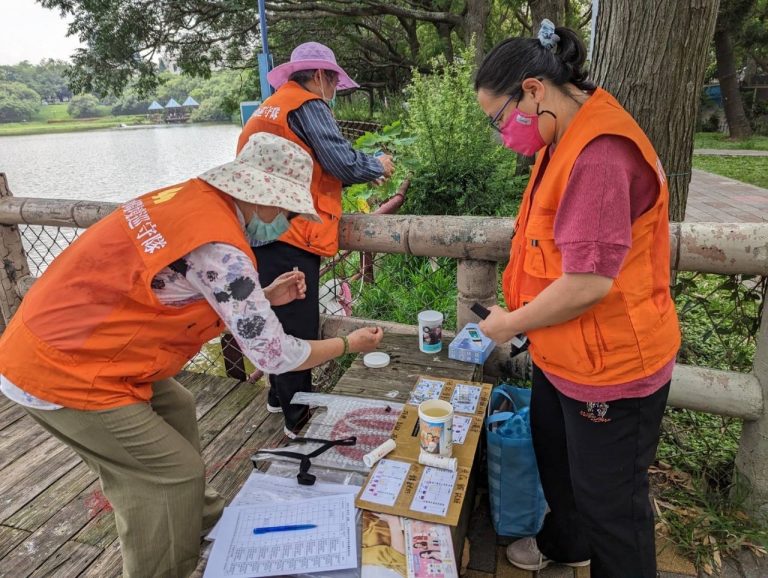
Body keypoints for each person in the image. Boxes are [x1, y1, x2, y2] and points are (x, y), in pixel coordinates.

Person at [0, 132, 384, 578]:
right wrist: (346, 345)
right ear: (257, 197)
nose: (285, 222)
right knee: (170, 475)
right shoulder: (222, 249)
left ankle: (198, 519)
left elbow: (182, 283)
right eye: (286, 210)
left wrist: (263, 296)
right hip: (62, 366)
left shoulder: (186, 199)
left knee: (177, 405)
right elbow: (276, 355)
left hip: (72, 337)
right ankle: (163, 562)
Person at [474, 20, 680, 578]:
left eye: (498, 119)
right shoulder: (564, 131)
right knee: (561, 466)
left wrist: (508, 321)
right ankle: (565, 544)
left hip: (612, 366)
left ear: (534, 90)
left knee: (613, 507)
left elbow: (589, 282)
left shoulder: (600, 153)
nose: (501, 135)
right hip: (563, 354)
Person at [236, 42, 395, 437]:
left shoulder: (271, 107)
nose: (335, 91)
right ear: (321, 76)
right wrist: (377, 164)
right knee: (297, 329)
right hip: (292, 232)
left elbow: (309, 161)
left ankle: (277, 398)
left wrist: (355, 171)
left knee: (272, 320)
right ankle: (298, 421)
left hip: (258, 228)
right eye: (335, 82)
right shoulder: (309, 105)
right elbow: (339, 159)